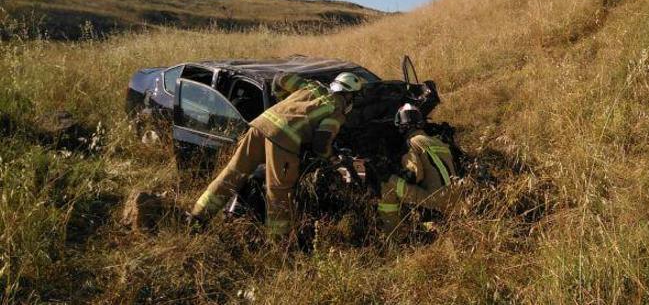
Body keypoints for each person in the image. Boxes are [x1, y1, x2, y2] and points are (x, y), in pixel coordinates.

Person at [188, 71, 364, 237]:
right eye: (354, 97)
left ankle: (197, 217)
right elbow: (321, 144)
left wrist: (283, 102)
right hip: (283, 140)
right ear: (349, 96)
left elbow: (280, 78)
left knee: (233, 172)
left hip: (260, 125)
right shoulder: (336, 110)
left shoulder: (312, 86)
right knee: (279, 191)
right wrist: (331, 158)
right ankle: (279, 241)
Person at [377, 104, 458, 239]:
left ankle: (397, 235)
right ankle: (430, 222)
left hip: (436, 201)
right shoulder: (439, 141)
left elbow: (414, 176)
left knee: (387, 184)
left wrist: (391, 170)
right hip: (455, 201)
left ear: (401, 126)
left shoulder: (412, 142)